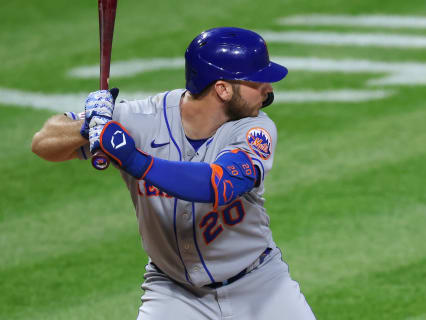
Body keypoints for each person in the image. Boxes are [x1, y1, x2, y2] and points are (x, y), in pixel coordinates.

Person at [32, 27, 316, 320]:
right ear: (222, 89)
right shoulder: (141, 119)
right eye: (257, 81)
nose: (269, 89)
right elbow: (43, 143)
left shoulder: (255, 127)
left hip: (260, 287)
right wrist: (91, 127)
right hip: (175, 293)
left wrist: (135, 160)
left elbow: (221, 183)